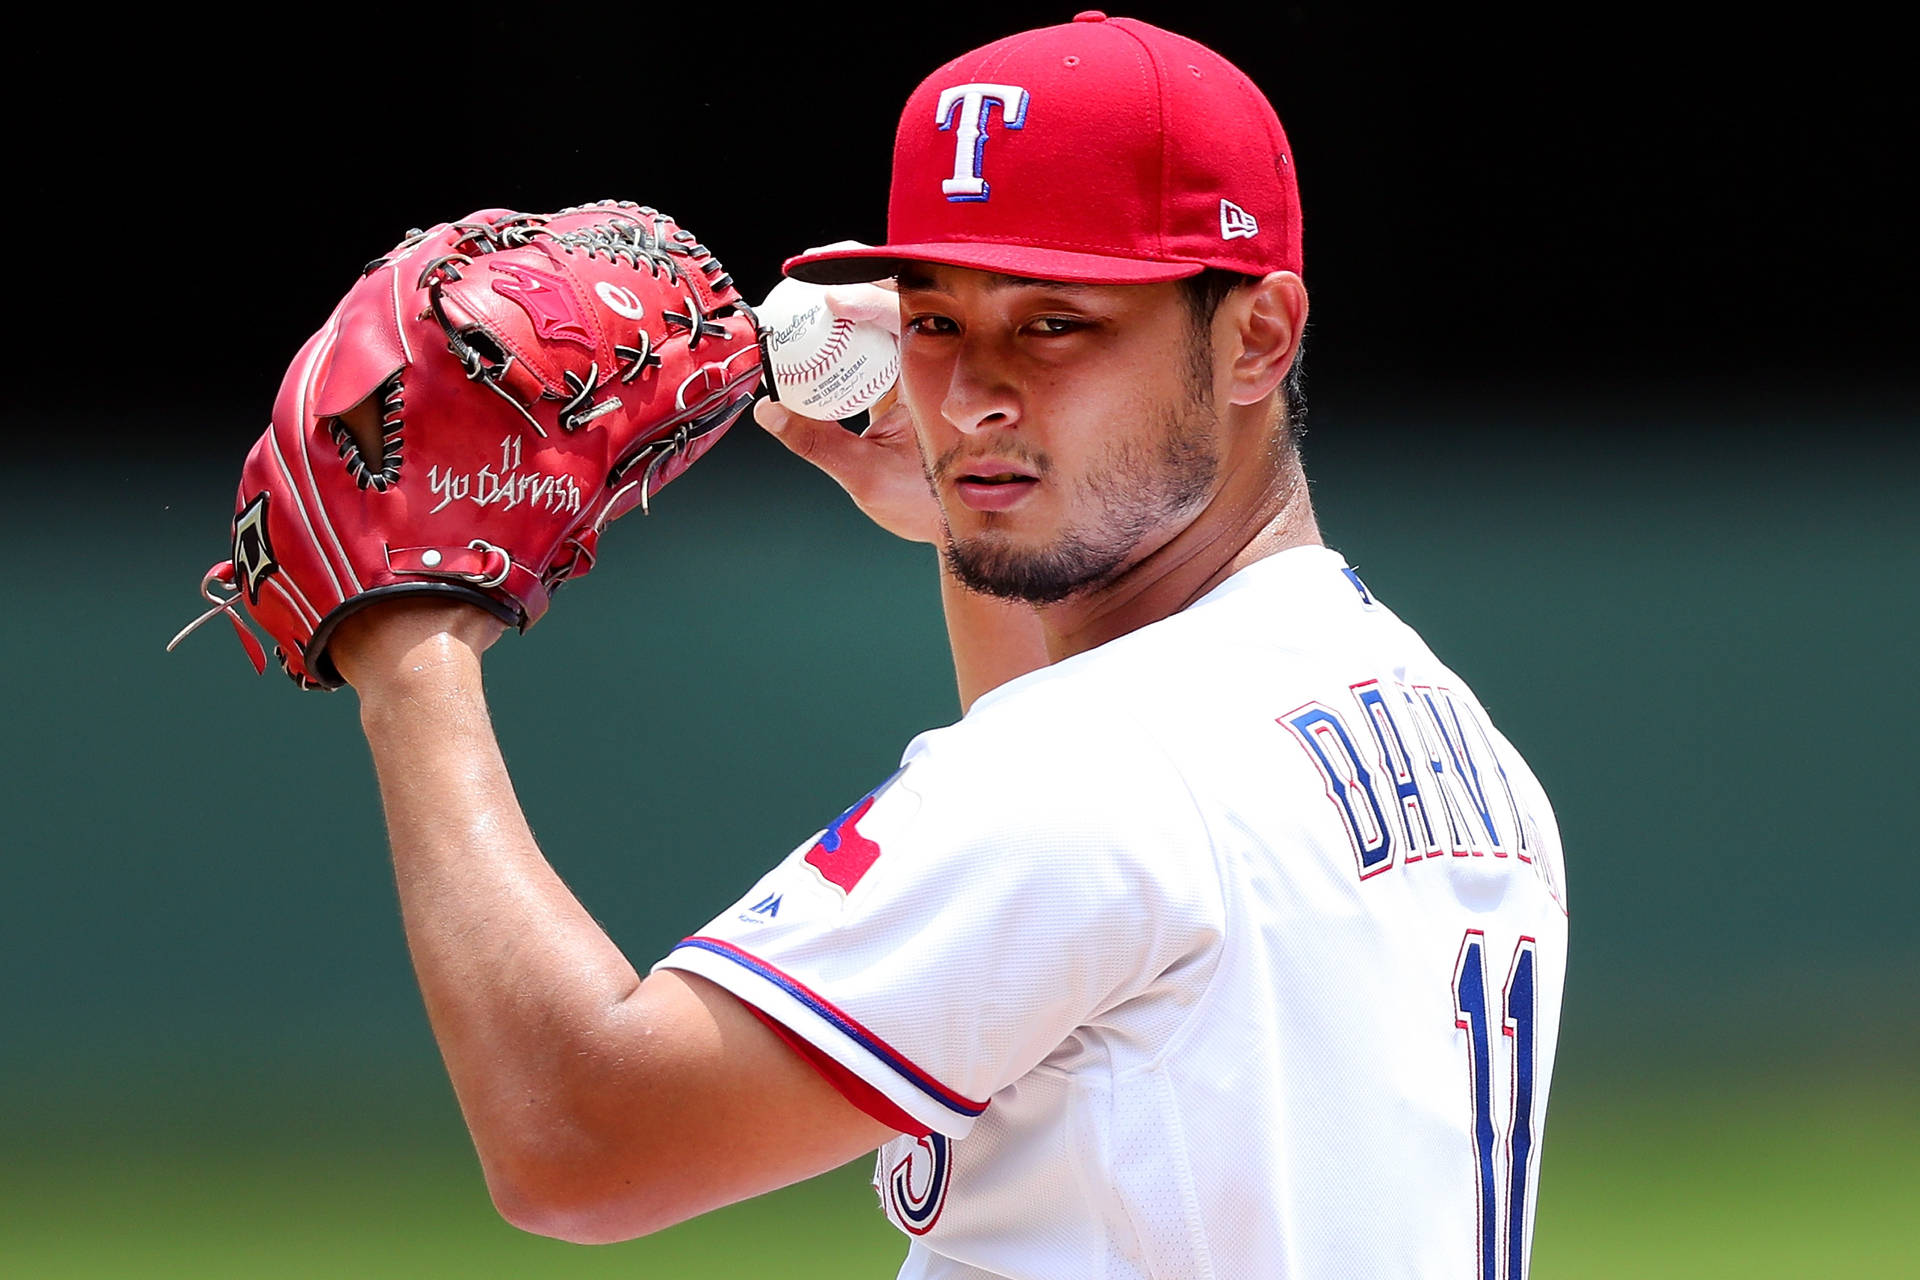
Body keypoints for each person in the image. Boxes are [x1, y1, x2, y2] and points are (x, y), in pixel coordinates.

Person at [328, 13, 1568, 1278]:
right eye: (934, 321)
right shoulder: (1437, 727)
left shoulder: (1102, 769)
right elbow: (1084, 916)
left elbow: (578, 1137)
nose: (972, 392)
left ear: (1255, 336)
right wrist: (983, 531)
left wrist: (410, 647)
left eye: (1053, 325)